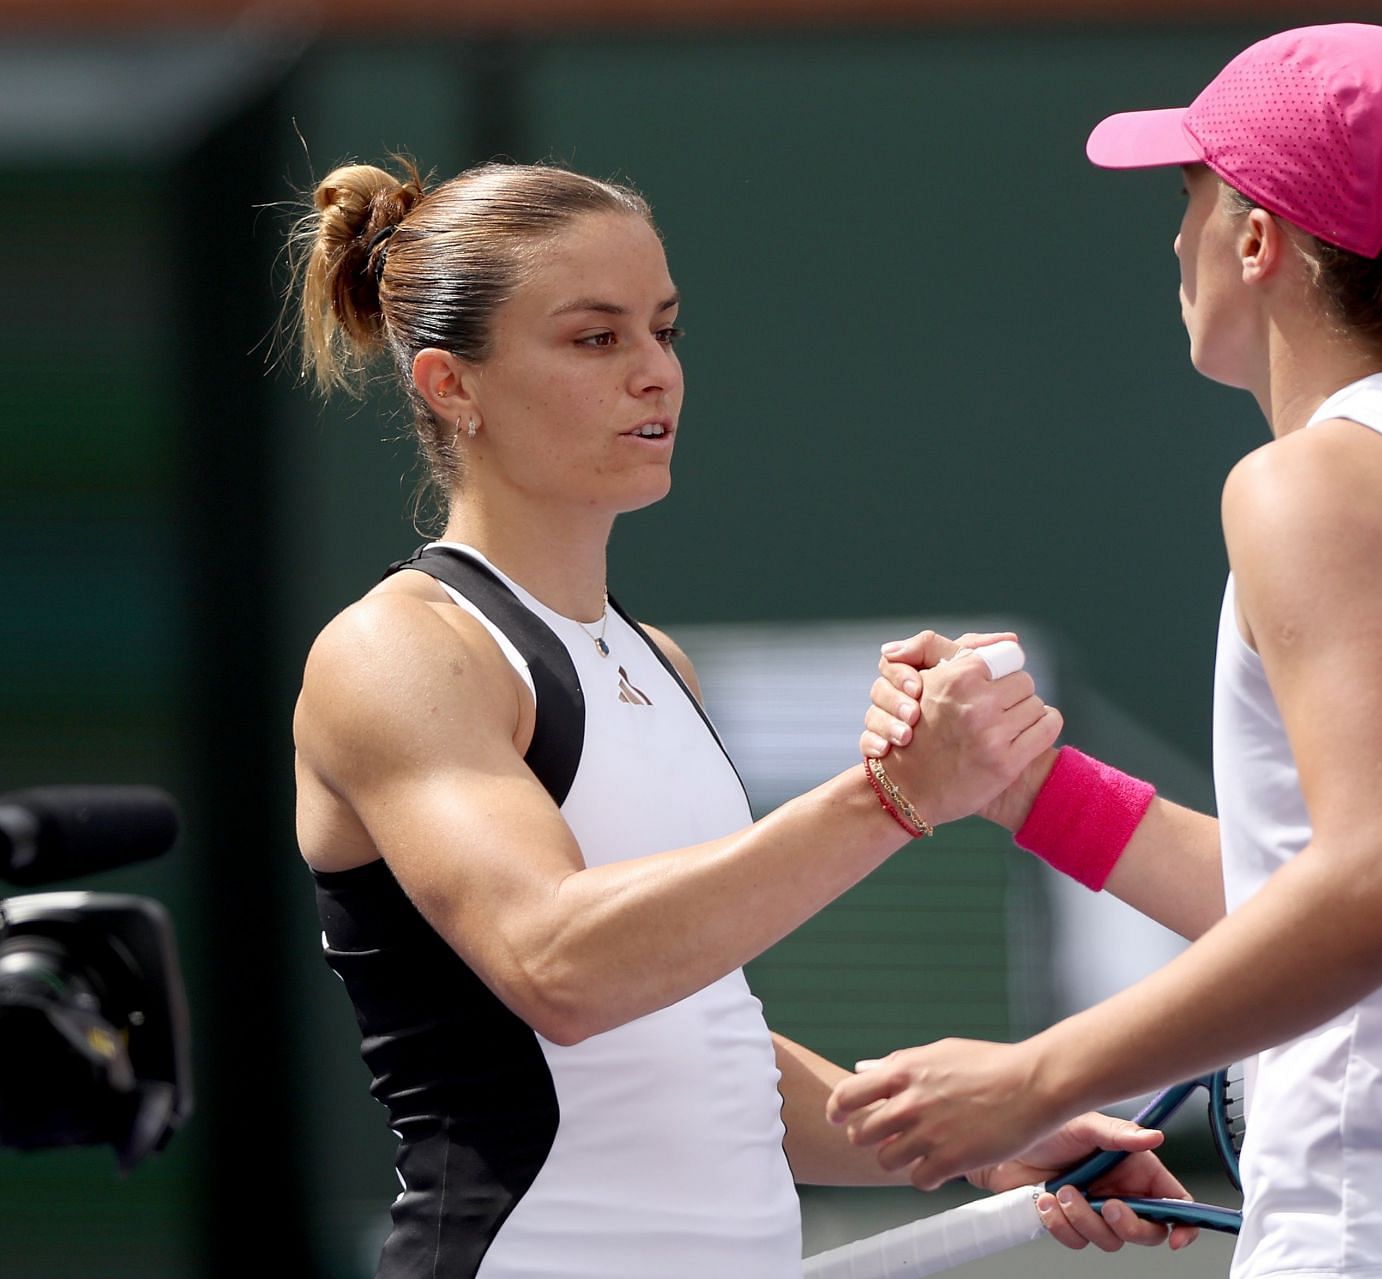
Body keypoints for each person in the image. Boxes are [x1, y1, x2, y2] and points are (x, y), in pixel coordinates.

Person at [834, 24, 1382, 1279]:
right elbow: (1338, 885)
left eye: (1188, 198)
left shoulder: (1310, 486)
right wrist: (1031, 790)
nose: (1171, 238)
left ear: (1256, 241)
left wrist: (1033, 1077)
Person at [285, 156, 1197, 1277]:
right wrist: (896, 794)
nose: (656, 374)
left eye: (664, 330)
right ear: (449, 385)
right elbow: (558, 966)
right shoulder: (397, 649)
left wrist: (981, 1135)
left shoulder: (658, 662)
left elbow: (697, 1043)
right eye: (595, 338)